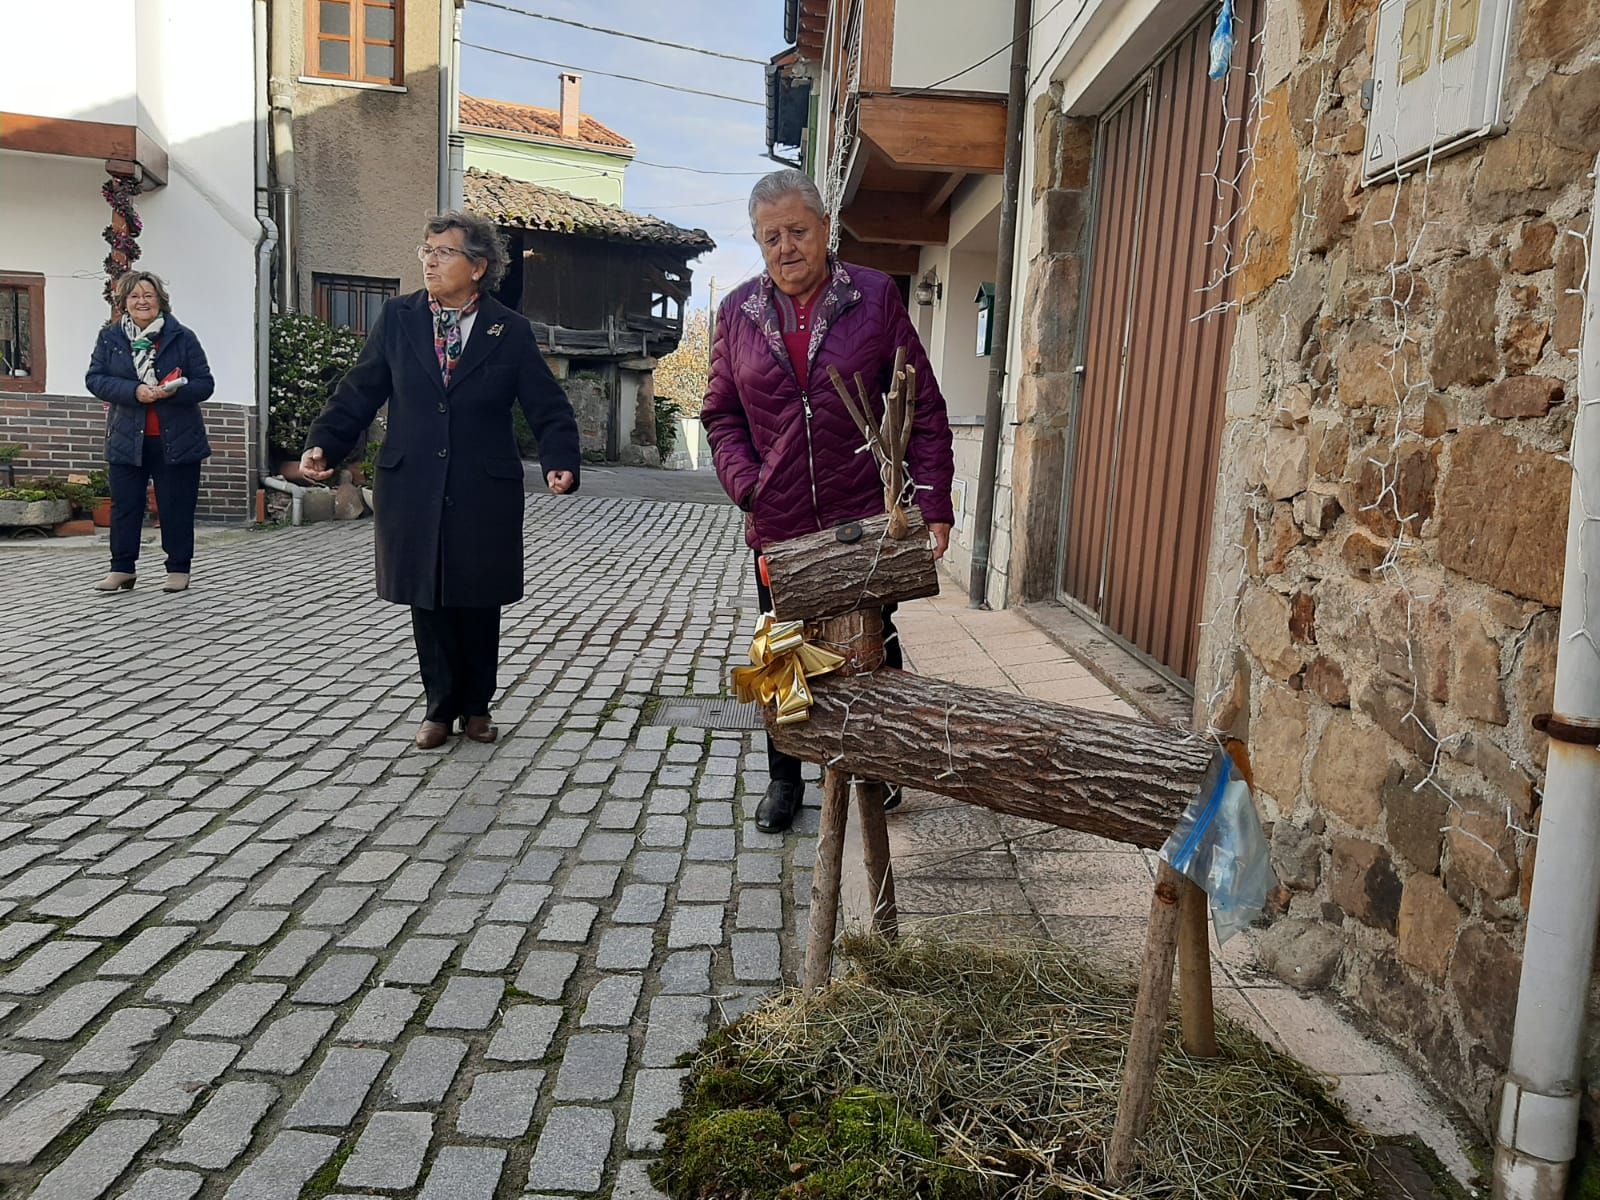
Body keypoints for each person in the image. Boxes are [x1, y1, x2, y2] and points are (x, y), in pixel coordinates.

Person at [701, 169, 956, 833]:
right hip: (780, 523)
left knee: (873, 644)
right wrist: (747, 484)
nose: (785, 247)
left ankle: (874, 767)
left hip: (863, 514)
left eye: (797, 231)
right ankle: (785, 776)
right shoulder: (737, 313)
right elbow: (721, 414)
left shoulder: (872, 296)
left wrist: (931, 502)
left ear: (824, 229)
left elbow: (919, 402)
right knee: (783, 651)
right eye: (769, 237)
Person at [300, 211, 580, 750]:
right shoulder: (399, 319)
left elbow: (547, 405)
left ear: (478, 266)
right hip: (414, 481)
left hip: (483, 483)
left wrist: (559, 458)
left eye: (443, 252)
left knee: (478, 596)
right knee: (426, 597)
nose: (430, 261)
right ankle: (439, 706)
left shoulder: (509, 329)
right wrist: (325, 443)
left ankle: (477, 706)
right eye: (425, 250)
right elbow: (360, 390)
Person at [86, 270, 215, 593]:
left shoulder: (182, 337)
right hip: (127, 438)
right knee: (125, 505)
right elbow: (95, 379)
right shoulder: (111, 338)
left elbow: (205, 383)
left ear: (161, 301)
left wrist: (175, 391)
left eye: (149, 296)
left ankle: (178, 569)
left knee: (176, 506)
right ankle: (122, 569)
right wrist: (134, 391)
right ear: (124, 303)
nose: (142, 302)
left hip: (177, 439)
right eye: (134, 296)